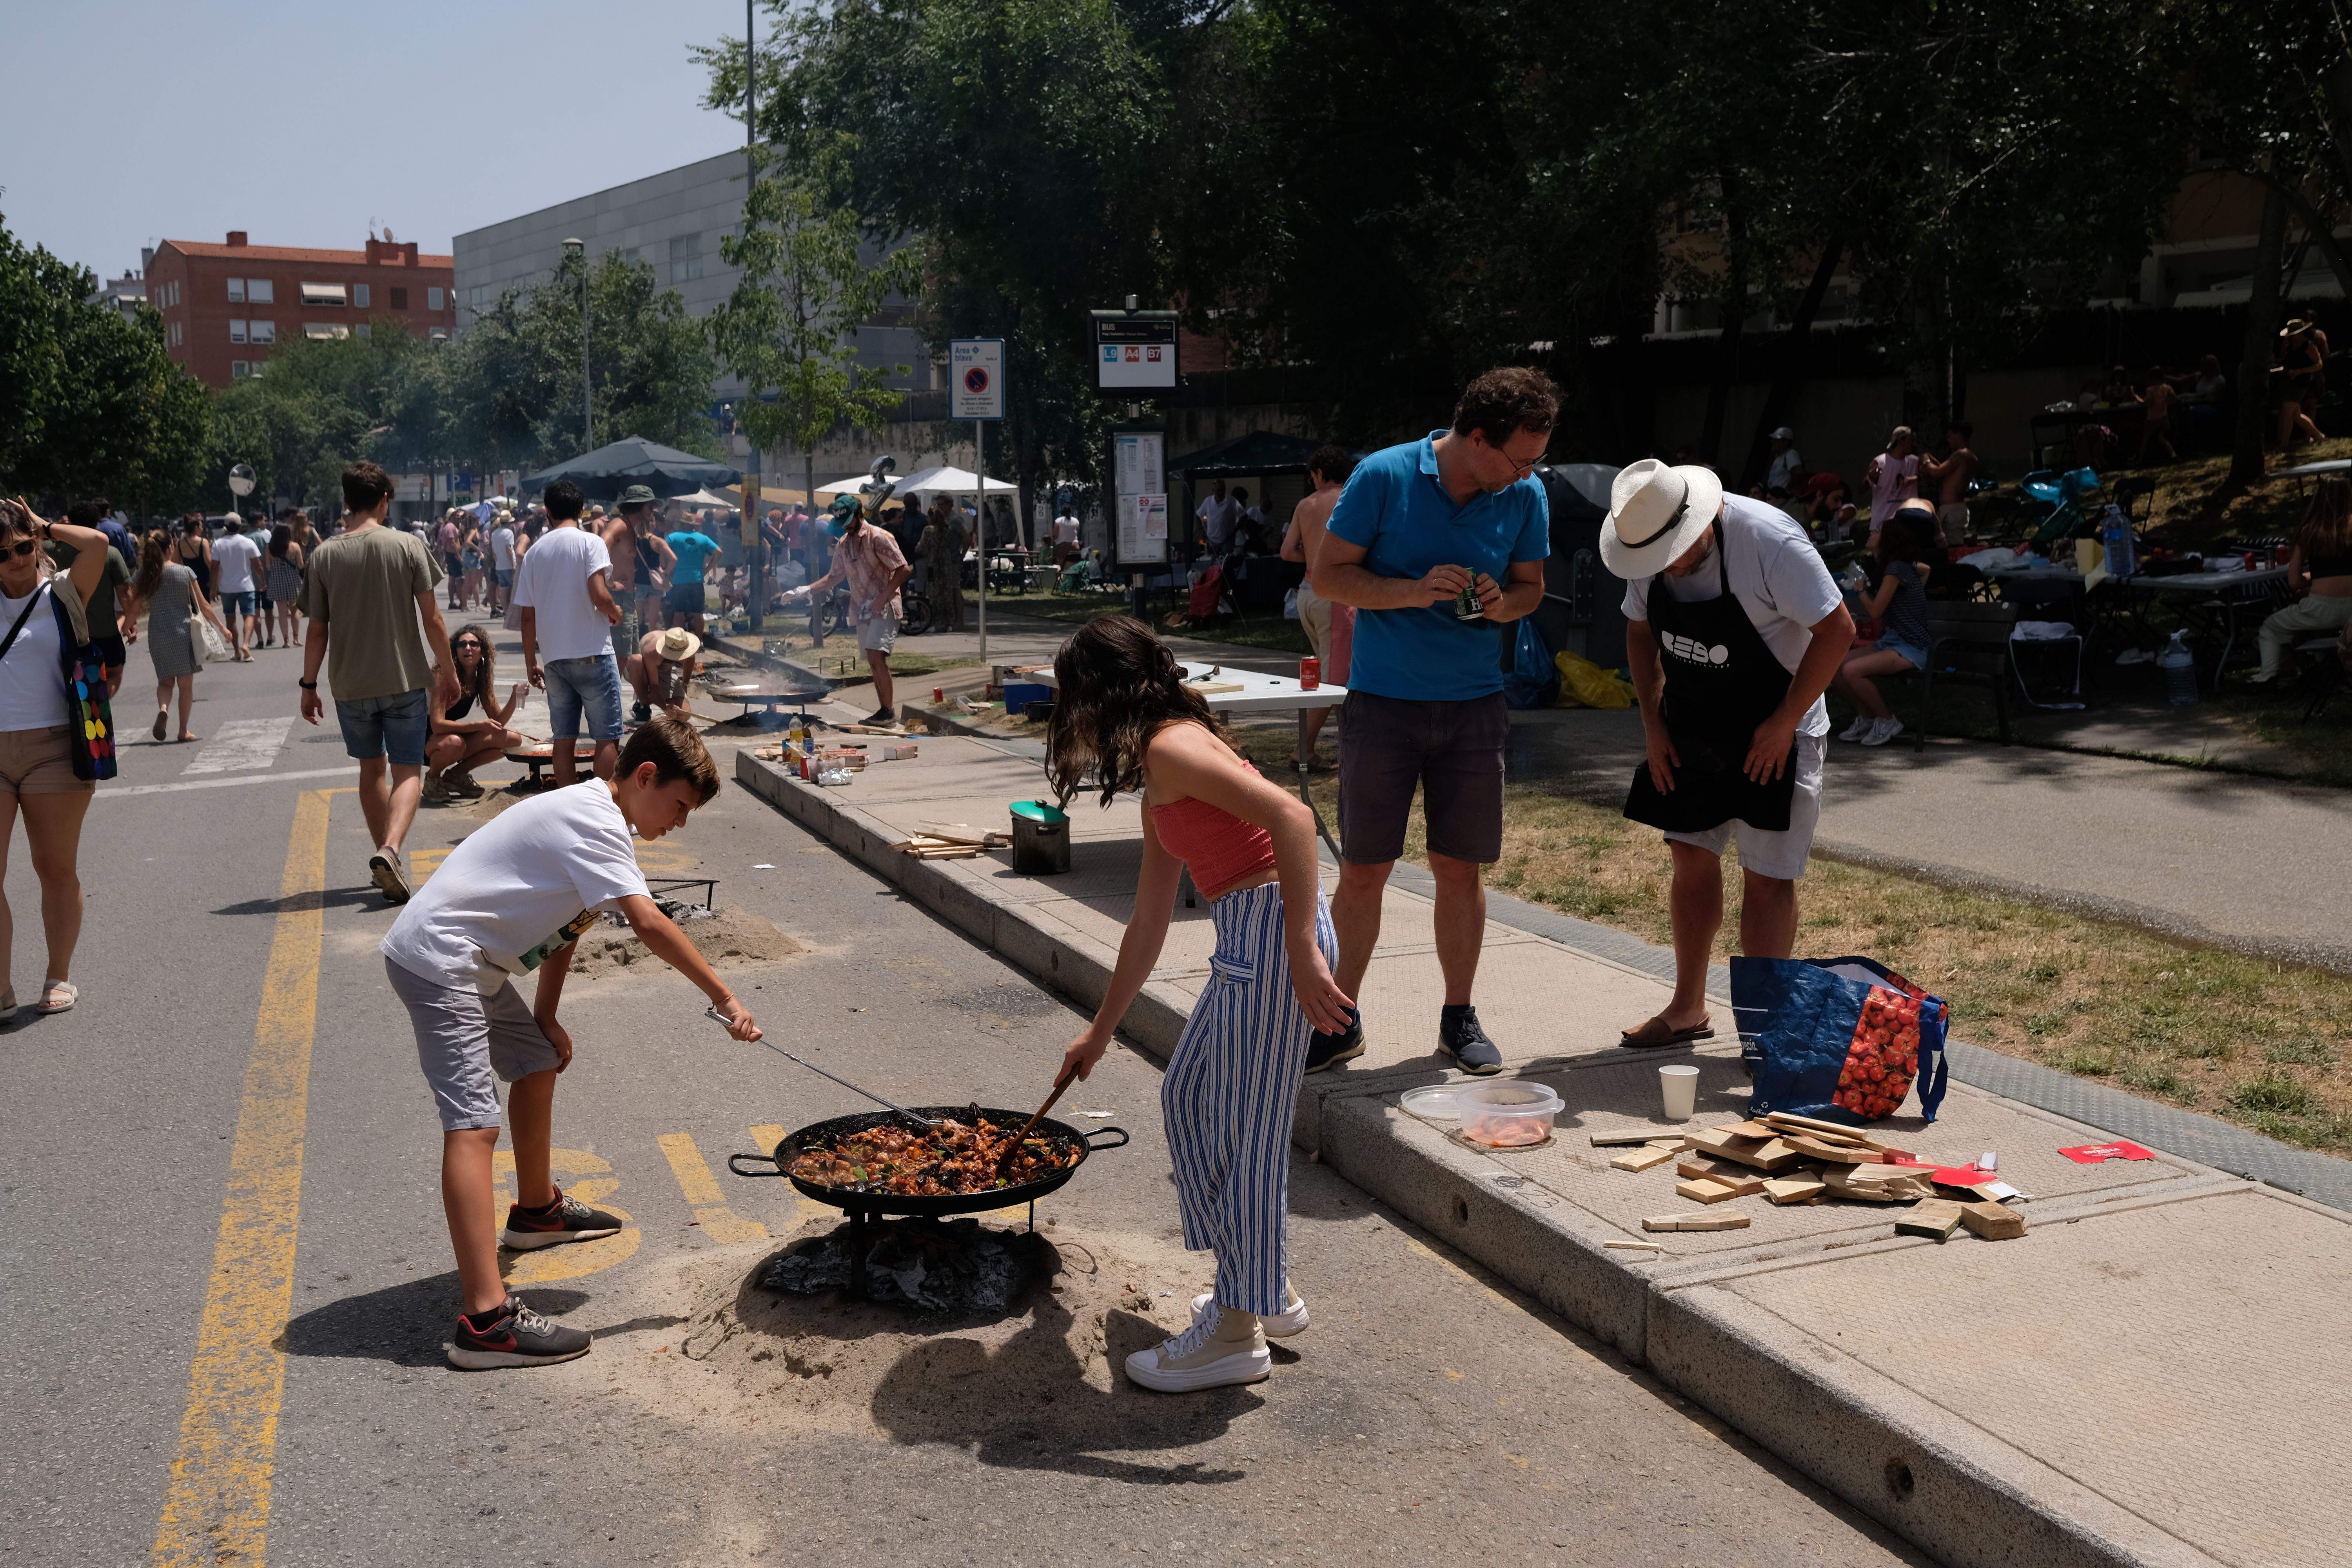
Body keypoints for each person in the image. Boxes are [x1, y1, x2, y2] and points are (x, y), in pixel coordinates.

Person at [380, 716, 760, 1369]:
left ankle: (536, 1212)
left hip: (470, 960)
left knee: (537, 1059)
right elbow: (647, 922)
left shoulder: (595, 816)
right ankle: (486, 1323)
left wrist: (547, 1017)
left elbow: (572, 924)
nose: (680, 824)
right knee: (472, 1126)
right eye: (679, 806)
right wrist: (724, 998)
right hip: (442, 961)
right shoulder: (596, 820)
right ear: (646, 777)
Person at [1046, 617, 1351, 1392]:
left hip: (1271, 932)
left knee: (1247, 1134)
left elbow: (1295, 816)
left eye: (1071, 700)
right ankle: (1263, 1283)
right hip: (1251, 935)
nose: (1068, 718)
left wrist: (1303, 951)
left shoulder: (1169, 745)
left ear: (1099, 695)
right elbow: (1147, 922)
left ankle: (1237, 1332)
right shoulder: (1162, 768)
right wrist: (1098, 1031)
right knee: (1188, 1096)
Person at [1308, 367, 1554, 1075]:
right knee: (1364, 870)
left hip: (1475, 705)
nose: (1529, 474)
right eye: (1519, 459)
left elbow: (1532, 588)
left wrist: (1504, 605)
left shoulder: (1524, 495)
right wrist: (1413, 592)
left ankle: (1458, 1017)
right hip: (1384, 704)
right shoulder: (1384, 477)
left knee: (1460, 869)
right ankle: (1338, 1019)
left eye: (1536, 461)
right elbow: (1329, 578)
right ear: (1477, 439)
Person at [1608, 459, 1853, 1049]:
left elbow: (1838, 630)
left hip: (1777, 726)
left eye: (1676, 553)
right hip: (1690, 726)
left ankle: (1764, 1033)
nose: (1665, 569)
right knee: (1690, 860)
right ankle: (1687, 1007)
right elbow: (1640, 631)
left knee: (1767, 877)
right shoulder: (1645, 544)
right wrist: (1653, 724)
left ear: (1701, 519)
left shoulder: (1770, 542)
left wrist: (1783, 723)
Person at [299, 461, 461, 904]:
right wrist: (448, 671)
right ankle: (390, 850)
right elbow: (432, 618)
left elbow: (317, 630)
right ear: (385, 500)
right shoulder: (408, 545)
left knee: (371, 770)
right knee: (407, 768)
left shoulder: (324, 555)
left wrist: (308, 684)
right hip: (404, 679)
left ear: (346, 501)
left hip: (350, 684)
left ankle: (385, 857)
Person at [0, 499, 116, 1019]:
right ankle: (1, 988)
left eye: (24, 547)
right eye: (2, 553)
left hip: (54, 748)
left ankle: (58, 974)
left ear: (38, 543)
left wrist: (43, 523)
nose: (15, 559)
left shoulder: (63, 591)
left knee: (53, 867)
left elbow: (98, 544)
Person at [515, 478, 624, 788]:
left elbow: (527, 616)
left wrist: (530, 664)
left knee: (563, 740)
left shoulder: (535, 553)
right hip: (593, 654)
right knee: (606, 738)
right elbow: (599, 595)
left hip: (554, 661)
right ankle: (602, 811)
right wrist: (615, 612)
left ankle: (569, 809)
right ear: (581, 510)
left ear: (547, 511)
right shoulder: (591, 543)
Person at [791, 494, 911, 726]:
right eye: (841, 523)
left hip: (884, 606)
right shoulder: (844, 543)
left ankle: (888, 712)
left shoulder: (879, 537)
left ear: (858, 514)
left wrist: (882, 599)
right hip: (862, 609)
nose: (845, 527)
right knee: (873, 661)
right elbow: (834, 577)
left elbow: (904, 570)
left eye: (848, 521)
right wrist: (805, 590)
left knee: (877, 656)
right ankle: (884, 712)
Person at [1279, 445, 1357, 767]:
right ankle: (1303, 750)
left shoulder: (1305, 504)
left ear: (1320, 473)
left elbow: (1287, 552)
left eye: (1312, 475)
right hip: (1335, 599)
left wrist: (1312, 559)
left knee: (1331, 673)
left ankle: (1352, 746)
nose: (1311, 480)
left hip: (1307, 595)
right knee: (1333, 679)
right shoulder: (1348, 497)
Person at [1831, 507, 1935, 746]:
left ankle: (1887, 720)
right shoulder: (1897, 567)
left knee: (1851, 671)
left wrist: (1861, 591)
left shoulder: (1896, 569)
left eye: (1877, 530)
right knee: (1835, 666)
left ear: (1888, 540)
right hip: (1892, 641)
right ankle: (1867, 719)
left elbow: (1876, 611)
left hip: (1913, 647)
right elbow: (1926, 570)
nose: (1872, 532)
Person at [123, 528, 224, 742]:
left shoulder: (143, 575)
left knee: (165, 682)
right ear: (171, 548)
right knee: (186, 686)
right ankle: (183, 731)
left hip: (158, 634)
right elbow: (204, 605)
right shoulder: (184, 572)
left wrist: (127, 628)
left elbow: (135, 609)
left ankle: (163, 708)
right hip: (183, 633)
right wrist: (222, 628)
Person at [2250, 475, 2352, 683]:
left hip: (2320, 609)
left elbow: (2294, 582)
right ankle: (2323, 661)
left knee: (2270, 627)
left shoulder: (2309, 533)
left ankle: (2267, 676)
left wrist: (2312, 584)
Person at [424, 623, 527, 800]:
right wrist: (478, 726)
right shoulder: (443, 677)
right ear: (454, 651)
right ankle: (432, 780)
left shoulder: (480, 679)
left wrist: (514, 697)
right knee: (455, 743)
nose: (468, 648)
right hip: (426, 740)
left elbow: (498, 722)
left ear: (483, 651)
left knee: (512, 739)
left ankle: (455, 776)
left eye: (474, 644)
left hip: (451, 737)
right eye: (462, 645)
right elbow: (437, 725)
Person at [52, 502, 131, 697]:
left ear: (70, 522)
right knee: (114, 673)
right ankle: (97, 704)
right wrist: (130, 622)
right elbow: (125, 592)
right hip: (105, 630)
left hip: (65, 630)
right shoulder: (110, 553)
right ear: (98, 522)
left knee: (72, 677)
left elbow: (37, 536)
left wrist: (58, 525)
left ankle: (83, 708)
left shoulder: (54, 551)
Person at [211, 515, 262, 661]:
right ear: (240, 526)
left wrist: (213, 589)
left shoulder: (218, 544)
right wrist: (263, 581)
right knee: (249, 615)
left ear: (226, 527)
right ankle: (246, 645)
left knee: (230, 618)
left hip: (226, 588)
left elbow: (214, 568)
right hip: (246, 586)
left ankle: (237, 651)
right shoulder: (248, 543)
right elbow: (257, 565)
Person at [1919, 422, 1978, 546]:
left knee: (1953, 547)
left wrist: (1926, 459)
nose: (1949, 441)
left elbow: (1936, 473)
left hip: (1953, 510)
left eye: (1950, 437)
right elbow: (1941, 473)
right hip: (1952, 509)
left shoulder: (1961, 455)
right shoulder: (1970, 457)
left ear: (1958, 436)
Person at [626, 625, 701, 722]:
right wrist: (665, 707)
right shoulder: (653, 652)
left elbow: (690, 660)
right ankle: (643, 706)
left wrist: (685, 684)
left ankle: (648, 698)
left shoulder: (685, 643)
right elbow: (654, 685)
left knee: (683, 715)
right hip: (639, 669)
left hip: (665, 671)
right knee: (637, 661)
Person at [2276, 319, 2329, 456]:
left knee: (2288, 411)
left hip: (2301, 384)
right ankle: (2319, 436)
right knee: (2297, 415)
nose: (2291, 337)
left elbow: (2319, 365)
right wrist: (2275, 371)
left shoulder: (2309, 346)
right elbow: (2288, 366)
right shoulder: (2291, 347)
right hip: (2289, 383)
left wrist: (2300, 372)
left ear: (2300, 334)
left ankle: (2284, 444)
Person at [662, 514, 721, 633]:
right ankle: (700, 642)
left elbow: (662, 552)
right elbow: (719, 552)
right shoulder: (703, 538)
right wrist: (708, 569)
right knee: (698, 614)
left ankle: (677, 642)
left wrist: (667, 569)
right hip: (697, 580)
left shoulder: (672, 538)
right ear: (694, 526)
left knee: (679, 614)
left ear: (682, 524)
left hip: (679, 580)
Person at [1863, 426, 1918, 541]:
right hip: (1883, 524)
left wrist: (1915, 478)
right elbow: (1861, 490)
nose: (1915, 444)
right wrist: (1871, 478)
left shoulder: (1914, 461)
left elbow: (1934, 473)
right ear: (1901, 441)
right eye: (1912, 440)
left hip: (1906, 524)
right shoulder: (1881, 462)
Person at [920, 495, 965, 631]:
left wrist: (961, 556)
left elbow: (967, 537)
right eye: (938, 505)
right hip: (941, 562)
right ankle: (947, 621)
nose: (940, 508)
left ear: (950, 505)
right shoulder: (943, 522)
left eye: (942, 505)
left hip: (951, 560)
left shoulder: (955, 520)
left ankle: (958, 621)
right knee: (944, 592)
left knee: (954, 590)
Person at [265, 523, 305, 651]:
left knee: (282, 613)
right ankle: (296, 638)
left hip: (277, 581)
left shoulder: (270, 548)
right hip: (293, 581)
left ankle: (286, 641)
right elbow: (300, 565)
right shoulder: (295, 547)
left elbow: (269, 567)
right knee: (295, 611)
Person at [2137, 369, 2179, 464]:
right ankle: (2173, 454)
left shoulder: (2150, 390)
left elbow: (2149, 403)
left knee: (2145, 440)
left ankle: (2140, 461)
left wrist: (2140, 401)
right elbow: (2175, 398)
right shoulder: (2167, 388)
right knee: (2162, 438)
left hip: (2153, 419)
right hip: (2164, 417)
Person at [1195, 479, 1238, 554]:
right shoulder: (1208, 501)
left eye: (1223, 490)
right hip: (1211, 539)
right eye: (1218, 490)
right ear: (1214, 490)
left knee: (1227, 560)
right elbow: (1198, 516)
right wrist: (1201, 530)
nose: (1221, 493)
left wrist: (1234, 531)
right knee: (1213, 561)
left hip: (1227, 539)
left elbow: (1243, 515)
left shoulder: (1231, 500)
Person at [488, 510, 517, 612]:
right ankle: (513, 612)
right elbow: (509, 549)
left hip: (499, 566)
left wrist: (497, 562)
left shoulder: (495, 533)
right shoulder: (509, 533)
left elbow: (494, 551)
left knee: (504, 589)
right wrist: (514, 565)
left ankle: (506, 611)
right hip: (509, 566)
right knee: (514, 589)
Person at [437, 512, 465, 610]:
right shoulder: (450, 527)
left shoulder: (450, 526)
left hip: (451, 555)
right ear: (451, 517)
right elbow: (452, 543)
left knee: (453, 579)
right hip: (453, 556)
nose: (459, 518)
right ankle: (462, 603)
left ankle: (453, 602)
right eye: (457, 516)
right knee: (460, 579)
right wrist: (459, 556)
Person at [1764, 428, 1803, 497]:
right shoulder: (1779, 457)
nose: (1772, 442)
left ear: (1786, 442)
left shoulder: (1791, 454)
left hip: (1781, 498)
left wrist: (1788, 490)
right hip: (1774, 497)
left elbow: (1799, 473)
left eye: (1777, 440)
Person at [1052, 502, 1081, 566]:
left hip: (1062, 545)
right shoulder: (1076, 521)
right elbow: (1078, 530)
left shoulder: (1058, 521)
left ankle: (1061, 575)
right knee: (1074, 564)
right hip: (1075, 545)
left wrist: (1054, 541)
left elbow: (1055, 534)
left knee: (1061, 564)